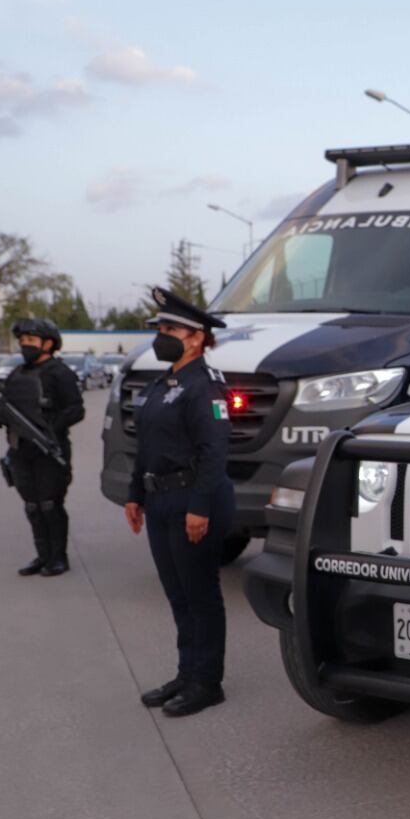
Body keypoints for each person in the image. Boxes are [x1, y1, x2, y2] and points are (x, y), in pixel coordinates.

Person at [124, 286, 235, 717]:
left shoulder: (205, 386)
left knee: (201, 594)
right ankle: (186, 673)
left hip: (194, 498)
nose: (160, 335)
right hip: (160, 501)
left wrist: (201, 508)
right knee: (178, 595)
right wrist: (135, 494)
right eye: (159, 328)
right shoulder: (162, 382)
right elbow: (146, 442)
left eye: (169, 328)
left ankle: (207, 682)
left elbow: (214, 453)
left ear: (195, 337)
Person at [0, 318, 85, 577]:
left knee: (50, 504)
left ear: (48, 343)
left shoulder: (60, 373)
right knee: (31, 505)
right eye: (22, 341)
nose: (24, 345)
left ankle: (58, 558)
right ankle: (42, 557)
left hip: (49, 450)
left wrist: (51, 428)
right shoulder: (17, 373)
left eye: (30, 340)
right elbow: (4, 407)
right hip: (20, 450)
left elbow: (76, 409)